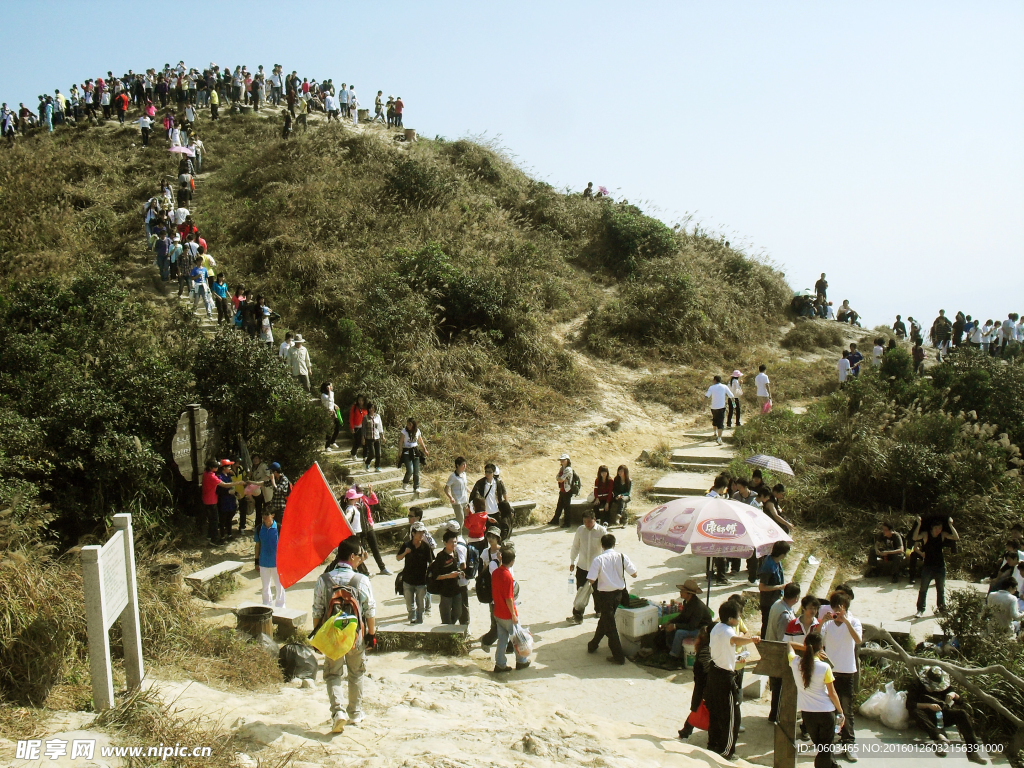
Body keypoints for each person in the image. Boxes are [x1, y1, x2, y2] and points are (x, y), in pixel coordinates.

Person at [313, 539, 375, 733]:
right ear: (351, 557)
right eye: (359, 556)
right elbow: (370, 610)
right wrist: (371, 635)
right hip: (355, 634)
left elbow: (317, 610)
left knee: (332, 674)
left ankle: (338, 712)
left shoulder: (323, 580)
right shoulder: (361, 580)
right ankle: (355, 712)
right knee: (356, 672)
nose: (360, 559)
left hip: (332, 635)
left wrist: (317, 636)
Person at [706, 601, 761, 759]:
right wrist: (752, 640)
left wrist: (736, 657)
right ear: (731, 619)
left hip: (714, 672)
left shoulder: (716, 628)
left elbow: (722, 650)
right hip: (725, 677)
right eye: (738, 616)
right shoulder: (728, 631)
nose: (739, 618)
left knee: (716, 712)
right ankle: (727, 751)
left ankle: (713, 744)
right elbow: (736, 640)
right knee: (732, 716)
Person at [907, 666, 987, 764]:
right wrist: (928, 705)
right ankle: (940, 738)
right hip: (927, 718)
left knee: (961, 713)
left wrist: (954, 695)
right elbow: (910, 704)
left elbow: (961, 702)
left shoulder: (944, 685)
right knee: (916, 712)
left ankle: (972, 751)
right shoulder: (916, 685)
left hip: (942, 715)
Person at [793, 632, 846, 768]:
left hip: (808, 713)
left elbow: (788, 644)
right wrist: (840, 711)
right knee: (825, 750)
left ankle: (833, 766)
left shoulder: (795, 663)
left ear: (805, 645)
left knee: (822, 748)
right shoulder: (825, 667)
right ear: (821, 647)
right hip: (826, 712)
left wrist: (806, 649)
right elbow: (832, 693)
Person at [819, 591, 862, 760]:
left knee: (846, 709)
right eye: (834, 607)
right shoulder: (828, 625)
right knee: (828, 709)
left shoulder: (854, 621)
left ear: (845, 608)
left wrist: (846, 622)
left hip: (847, 671)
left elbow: (858, 640)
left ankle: (848, 744)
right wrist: (823, 621)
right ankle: (827, 744)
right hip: (830, 672)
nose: (837, 611)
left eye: (840, 607)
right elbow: (817, 640)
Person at [586, 533, 638, 665]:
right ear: (614, 544)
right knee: (606, 620)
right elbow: (634, 573)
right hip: (619, 595)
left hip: (605, 596)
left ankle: (618, 657)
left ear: (602, 545)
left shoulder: (598, 559)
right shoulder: (621, 556)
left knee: (611, 627)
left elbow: (591, 580)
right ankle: (593, 645)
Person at [765, 583, 801, 722]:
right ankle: (776, 716)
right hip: (779, 655)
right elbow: (783, 639)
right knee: (780, 687)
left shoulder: (777, 604)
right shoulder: (785, 615)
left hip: (772, 651)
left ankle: (774, 714)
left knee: (777, 687)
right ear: (796, 598)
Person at [912, 515, 960, 618]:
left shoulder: (942, 535)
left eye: (940, 528)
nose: (938, 530)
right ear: (932, 528)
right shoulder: (926, 535)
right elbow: (915, 537)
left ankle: (942, 608)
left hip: (940, 566)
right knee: (923, 589)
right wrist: (919, 525)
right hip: (928, 566)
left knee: (940, 589)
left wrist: (951, 525)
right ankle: (920, 610)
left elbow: (956, 537)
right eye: (936, 528)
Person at [662, 580, 713, 670]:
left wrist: (675, 626)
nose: (680, 593)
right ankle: (672, 651)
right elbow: (682, 617)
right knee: (670, 630)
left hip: (701, 630)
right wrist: (670, 622)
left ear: (689, 594)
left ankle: (674, 659)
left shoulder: (698, 607)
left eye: (683, 591)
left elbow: (692, 626)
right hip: (694, 626)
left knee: (679, 633)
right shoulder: (687, 602)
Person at [492, 546, 529, 672]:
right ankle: (521, 661)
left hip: (497, 612)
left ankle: (500, 663)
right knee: (517, 639)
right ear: (512, 561)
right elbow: (509, 598)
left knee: (502, 640)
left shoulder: (496, 572)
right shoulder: (507, 576)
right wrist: (513, 614)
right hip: (507, 614)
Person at [569, 509, 607, 623]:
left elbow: (606, 549)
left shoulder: (601, 531)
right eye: (585, 521)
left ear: (594, 520)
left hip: (597, 568)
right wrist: (572, 561)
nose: (587, 524)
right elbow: (575, 546)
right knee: (581, 591)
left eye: (589, 522)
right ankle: (578, 615)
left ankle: (599, 610)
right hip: (582, 566)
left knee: (597, 591)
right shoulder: (580, 530)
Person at [677, 625, 712, 739]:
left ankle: (685, 731)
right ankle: (685, 732)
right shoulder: (706, 650)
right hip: (705, 685)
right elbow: (708, 668)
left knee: (698, 709)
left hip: (702, 685)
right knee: (699, 709)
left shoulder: (703, 647)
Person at [397, 520, 432, 624]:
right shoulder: (406, 545)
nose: (421, 535)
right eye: (419, 532)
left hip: (421, 580)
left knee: (421, 603)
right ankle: (411, 618)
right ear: (413, 533)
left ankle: (420, 620)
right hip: (408, 579)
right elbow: (398, 558)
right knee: (409, 602)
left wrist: (430, 574)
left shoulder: (426, 547)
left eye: (423, 532)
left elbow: (431, 562)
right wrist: (405, 552)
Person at [758, 541, 790, 638]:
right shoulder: (769, 566)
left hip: (774, 599)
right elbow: (762, 587)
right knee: (767, 625)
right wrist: (781, 587)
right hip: (768, 602)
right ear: (782, 554)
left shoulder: (776, 562)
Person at [254, 509, 285, 608]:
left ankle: (280, 605)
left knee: (279, 585)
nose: (264, 517)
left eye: (267, 514)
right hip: (264, 562)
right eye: (263, 514)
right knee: (265, 586)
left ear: (273, 515)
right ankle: (266, 604)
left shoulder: (279, 528)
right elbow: (257, 545)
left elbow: (285, 545)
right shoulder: (259, 528)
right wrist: (256, 561)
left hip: (277, 563)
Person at [399, 418, 429, 494]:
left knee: (416, 471)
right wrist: (399, 451)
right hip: (406, 451)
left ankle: (416, 487)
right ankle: (405, 482)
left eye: (410, 424)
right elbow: (401, 442)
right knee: (410, 470)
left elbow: (420, 440)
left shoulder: (417, 431)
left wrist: (425, 449)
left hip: (415, 451)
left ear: (413, 425)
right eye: (407, 424)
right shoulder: (404, 431)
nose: (408, 426)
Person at [705, 375, 735, 445]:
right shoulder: (724, 387)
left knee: (715, 419)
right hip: (721, 407)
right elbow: (731, 395)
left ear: (715, 380)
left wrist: (704, 405)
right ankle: (719, 438)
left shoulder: (711, 387)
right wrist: (734, 404)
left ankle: (715, 433)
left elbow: (706, 396)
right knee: (720, 423)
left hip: (713, 407)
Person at [550, 453, 575, 527]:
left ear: (567, 460)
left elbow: (561, 478)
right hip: (562, 489)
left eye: (564, 460)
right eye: (561, 460)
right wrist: (559, 479)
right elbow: (558, 477)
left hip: (567, 490)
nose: (562, 461)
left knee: (566, 507)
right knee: (559, 506)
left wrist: (559, 479)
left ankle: (567, 523)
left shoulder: (568, 469)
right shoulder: (562, 468)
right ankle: (555, 520)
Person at [444, 457, 470, 527]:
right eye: (463, 465)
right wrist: (450, 497)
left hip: (465, 500)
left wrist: (470, 491)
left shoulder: (464, 474)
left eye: (465, 464)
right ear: (457, 465)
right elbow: (446, 488)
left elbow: (464, 486)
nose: (464, 466)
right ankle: (458, 535)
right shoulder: (453, 476)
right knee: (460, 519)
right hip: (457, 501)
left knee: (467, 517)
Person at [360, 401, 385, 472]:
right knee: (372, 453)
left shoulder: (378, 416)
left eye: (372, 408)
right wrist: (363, 438)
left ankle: (377, 466)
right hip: (369, 438)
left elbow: (380, 427)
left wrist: (382, 436)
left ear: (375, 408)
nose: (371, 409)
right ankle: (367, 463)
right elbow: (363, 428)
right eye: (370, 408)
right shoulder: (366, 417)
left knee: (378, 453)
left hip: (377, 437)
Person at [320, 382, 342, 451]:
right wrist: (329, 391)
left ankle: (333, 441)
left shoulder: (331, 393)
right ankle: (327, 446)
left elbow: (331, 401)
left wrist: (335, 405)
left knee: (337, 425)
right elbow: (329, 399)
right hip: (327, 413)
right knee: (329, 429)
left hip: (332, 412)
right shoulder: (323, 395)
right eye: (330, 386)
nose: (331, 387)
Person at [267, 462, 290, 527]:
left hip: (281, 508)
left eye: (271, 472)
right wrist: (251, 482)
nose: (270, 474)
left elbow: (278, 490)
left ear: (275, 472)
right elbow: (265, 483)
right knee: (274, 526)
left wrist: (273, 481)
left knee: (281, 526)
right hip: (274, 507)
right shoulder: (276, 479)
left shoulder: (284, 479)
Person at [348, 395, 367, 459]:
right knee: (357, 441)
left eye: (362, 400)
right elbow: (351, 418)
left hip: (365, 427)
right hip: (357, 427)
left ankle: (365, 456)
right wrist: (352, 427)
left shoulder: (365, 407)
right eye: (359, 400)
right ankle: (353, 453)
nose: (360, 402)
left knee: (365, 442)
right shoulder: (354, 407)